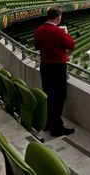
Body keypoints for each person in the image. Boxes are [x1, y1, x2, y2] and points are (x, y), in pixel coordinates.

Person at [33, 7, 75, 136]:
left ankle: (48, 123)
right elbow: (71, 45)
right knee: (59, 97)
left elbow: (36, 46)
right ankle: (57, 128)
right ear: (58, 17)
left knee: (48, 95)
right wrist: (66, 33)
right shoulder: (59, 32)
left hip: (45, 66)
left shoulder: (39, 30)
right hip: (57, 68)